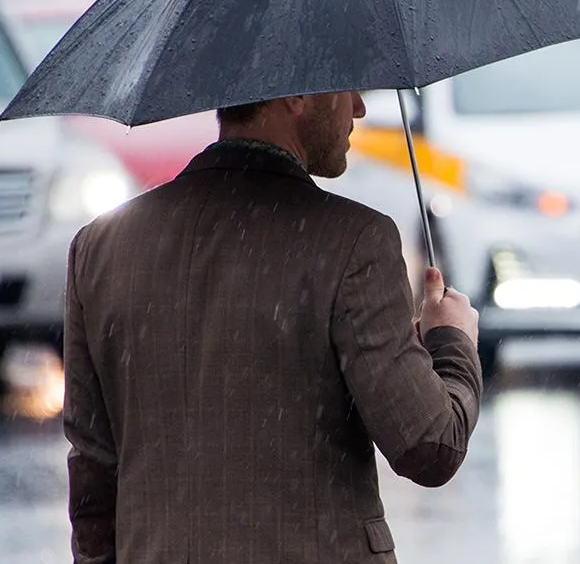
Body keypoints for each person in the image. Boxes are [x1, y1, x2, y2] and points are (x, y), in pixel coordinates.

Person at [63, 90, 483, 564]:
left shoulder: (101, 248)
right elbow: (429, 446)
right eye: (347, 88)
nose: (360, 108)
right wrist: (452, 341)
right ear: (299, 96)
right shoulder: (353, 242)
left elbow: (93, 473)